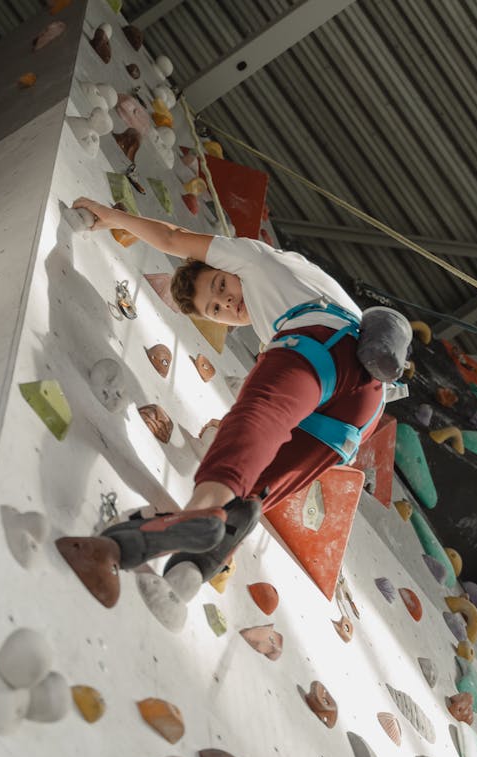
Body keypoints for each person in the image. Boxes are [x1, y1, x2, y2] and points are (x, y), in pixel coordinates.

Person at [70, 198, 409, 582]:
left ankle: (199, 513)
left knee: (256, 417)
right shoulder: (277, 318)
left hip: (325, 343)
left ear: (228, 266)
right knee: (255, 492)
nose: (227, 302)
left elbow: (172, 236)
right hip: (363, 409)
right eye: (216, 310)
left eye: (220, 285)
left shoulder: (255, 258)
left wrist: (114, 217)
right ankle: (186, 576)